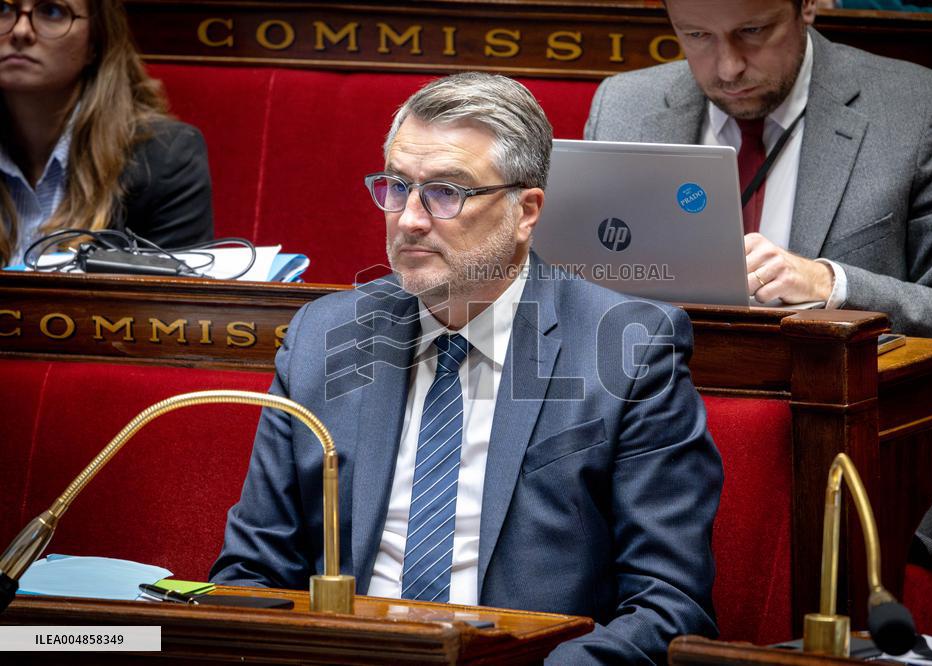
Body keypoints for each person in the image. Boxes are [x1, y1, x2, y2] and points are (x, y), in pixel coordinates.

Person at [211, 72, 723, 664]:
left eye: (446, 192)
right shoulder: (323, 337)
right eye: (397, 187)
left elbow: (670, 606)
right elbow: (250, 573)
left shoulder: (628, 348)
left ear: (525, 210)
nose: (409, 219)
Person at [585, 0, 932, 583]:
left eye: (753, 32)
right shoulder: (623, 106)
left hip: (857, 481)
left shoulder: (921, 110)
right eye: (697, 36)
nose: (727, 66)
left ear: (808, 6)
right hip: (644, 471)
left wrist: (835, 285)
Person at [0, 0, 213, 268]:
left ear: (97, 42)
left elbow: (174, 306)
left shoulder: (165, 159)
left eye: (52, 11)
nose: (20, 31)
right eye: (3, 9)